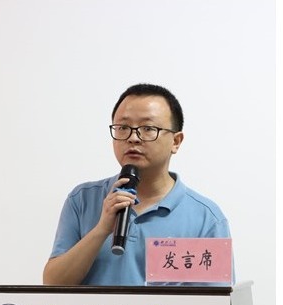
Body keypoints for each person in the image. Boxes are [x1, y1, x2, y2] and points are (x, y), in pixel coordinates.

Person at [43, 84, 230, 286]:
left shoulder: (206, 218)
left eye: (148, 129)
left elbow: (214, 303)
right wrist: (101, 230)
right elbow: (53, 284)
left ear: (176, 141)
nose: (133, 138)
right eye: (123, 128)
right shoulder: (82, 200)